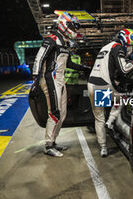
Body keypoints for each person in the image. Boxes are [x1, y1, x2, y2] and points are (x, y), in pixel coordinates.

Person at [32, 12, 91, 157]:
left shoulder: (64, 41)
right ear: (65, 24)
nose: (75, 30)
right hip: (50, 79)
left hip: (60, 80)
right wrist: (35, 79)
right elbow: (39, 58)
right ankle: (48, 145)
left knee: (62, 114)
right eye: (73, 26)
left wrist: (86, 68)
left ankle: (53, 141)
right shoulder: (52, 39)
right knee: (55, 113)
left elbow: (69, 63)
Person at [87, 28, 133, 157]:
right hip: (104, 86)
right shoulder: (118, 47)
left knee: (98, 118)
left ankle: (103, 148)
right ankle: (110, 121)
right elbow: (124, 69)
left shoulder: (106, 47)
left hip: (92, 84)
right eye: (131, 46)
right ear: (127, 41)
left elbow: (109, 68)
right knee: (122, 97)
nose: (131, 49)